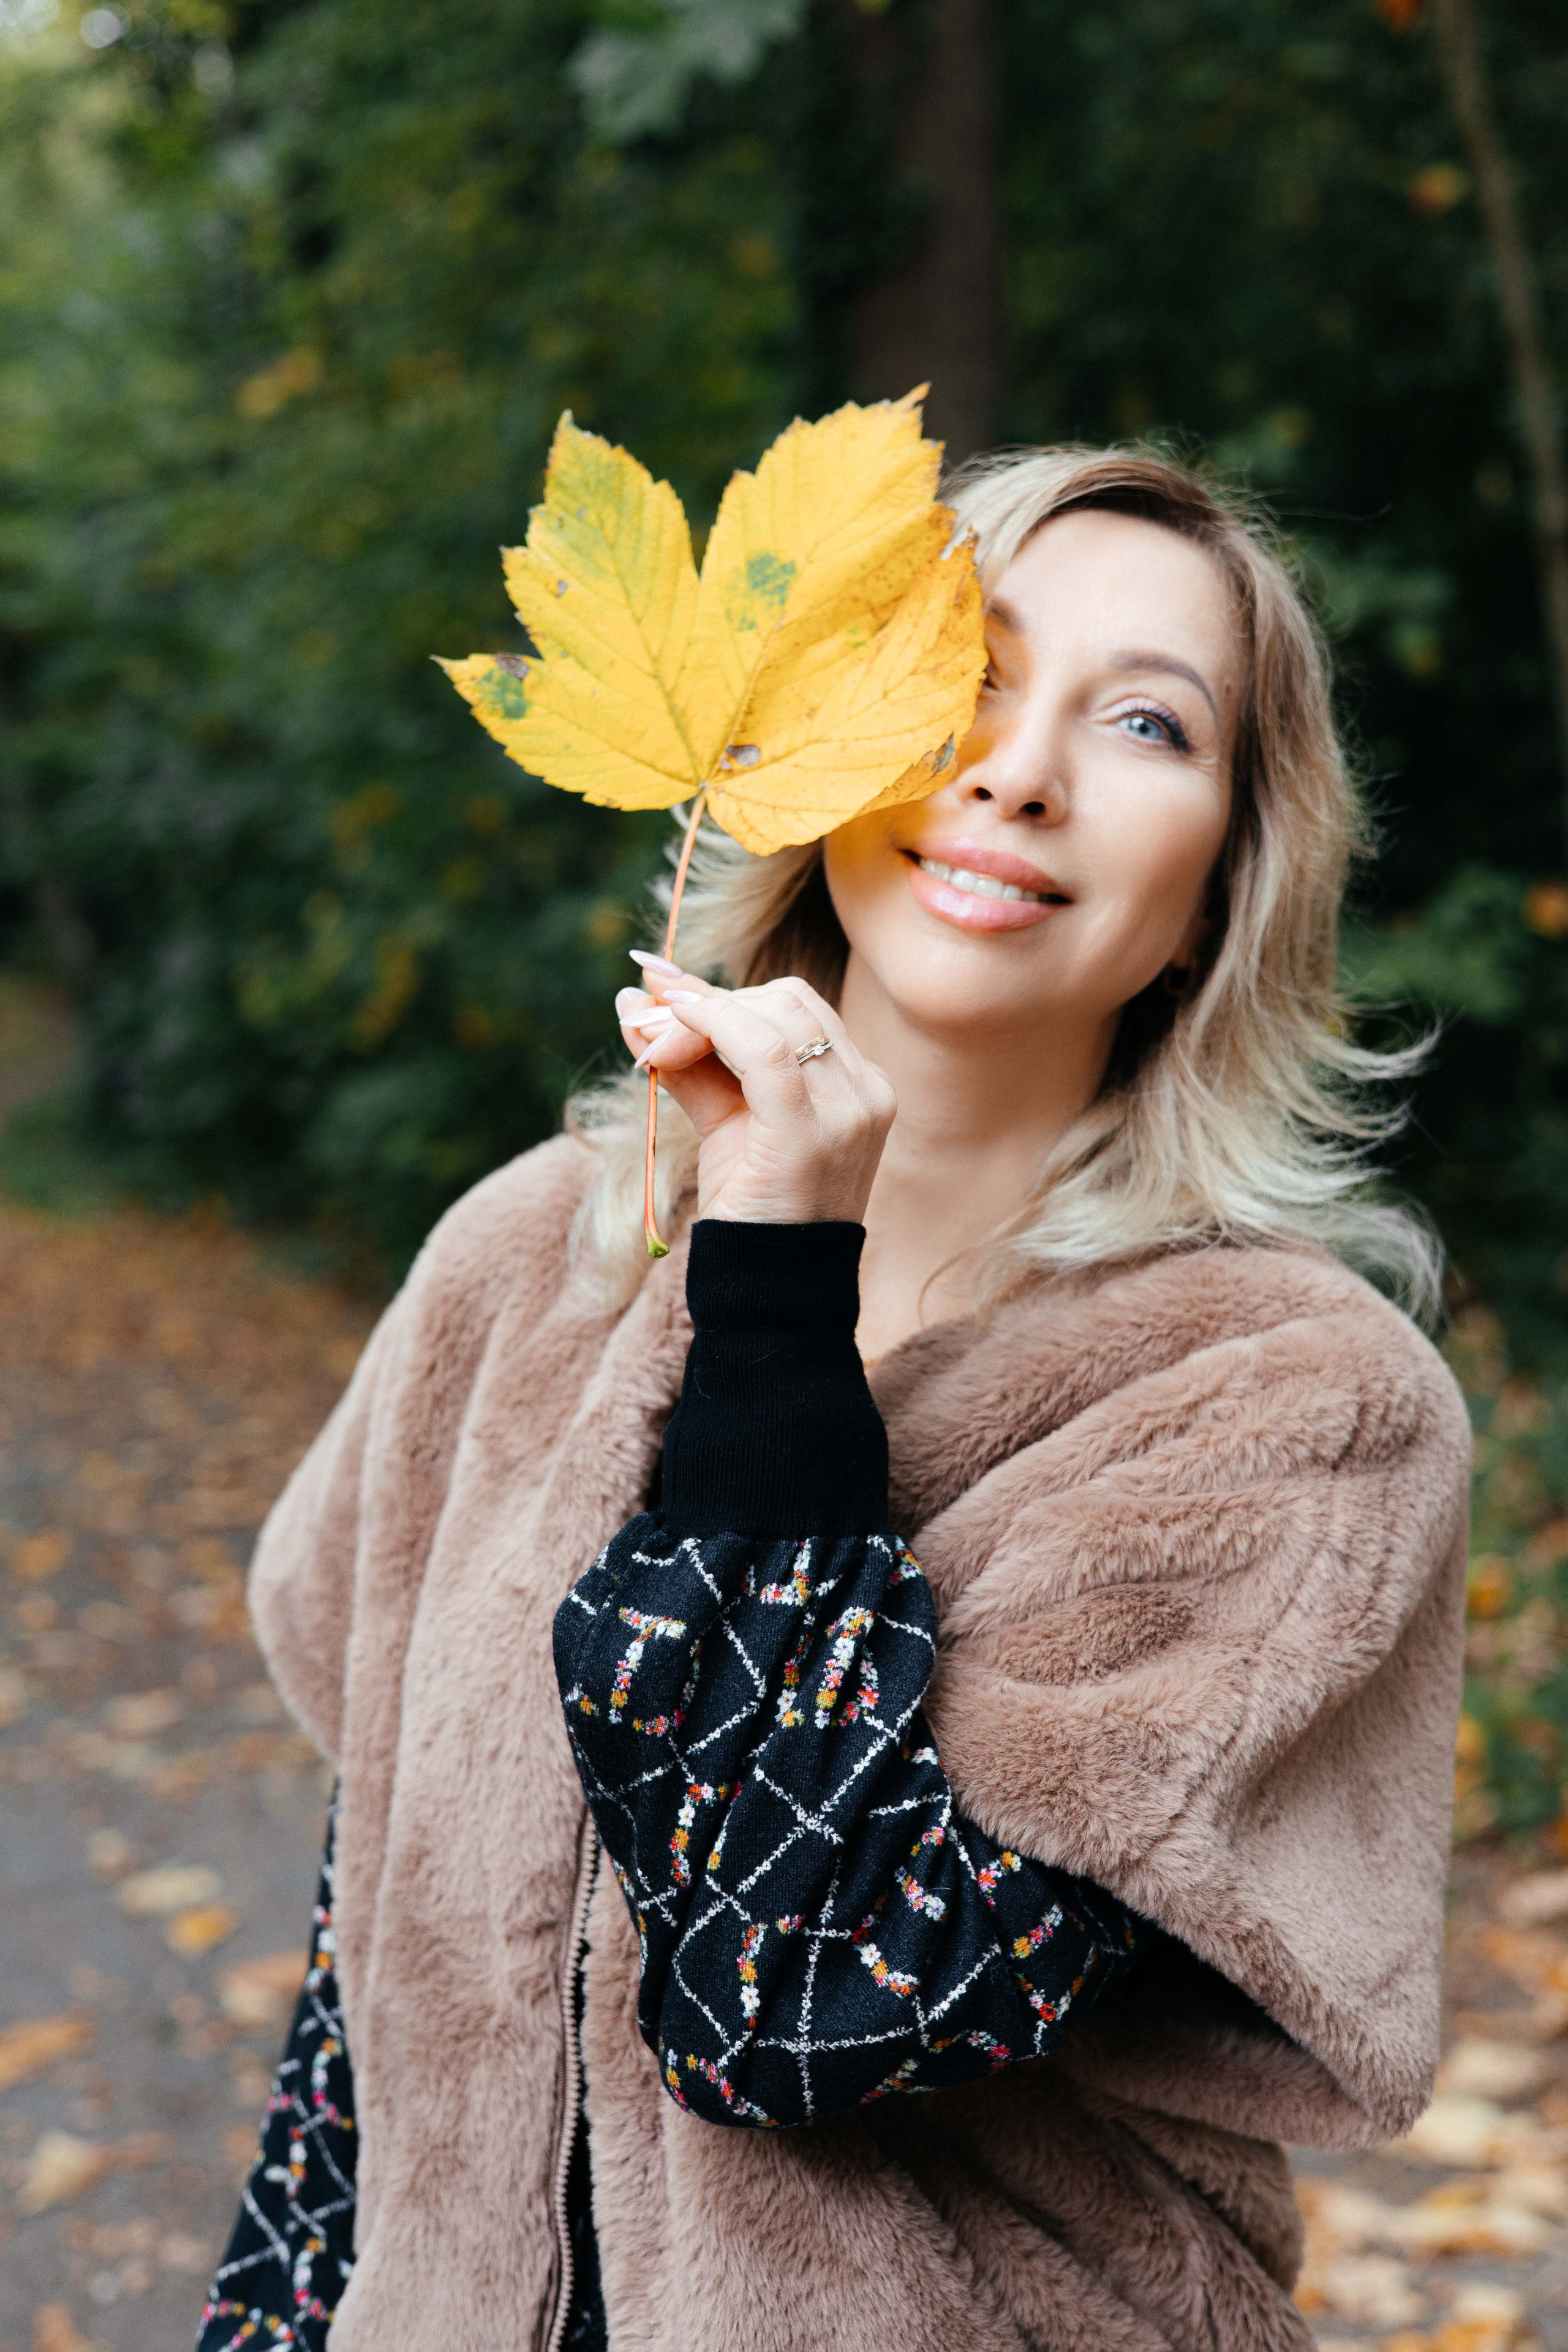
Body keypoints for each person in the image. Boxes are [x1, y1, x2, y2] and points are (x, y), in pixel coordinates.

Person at [197, 445, 1471, 2352]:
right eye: (961, 670)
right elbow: (362, 1999)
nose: (1018, 770)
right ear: (807, 749)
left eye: (1145, 721)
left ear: (1223, 884)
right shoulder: (522, 1261)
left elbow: (801, 1997)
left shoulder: (1297, 1403)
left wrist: (777, 1288)